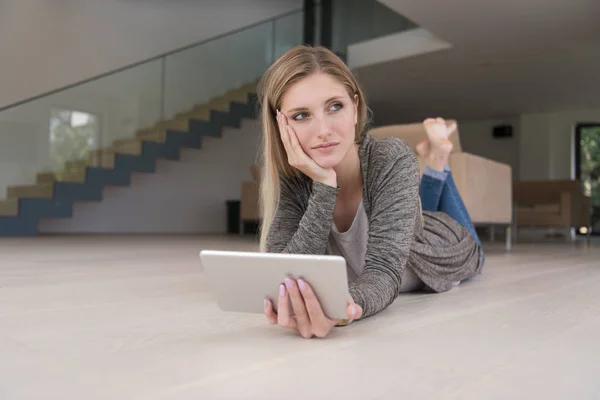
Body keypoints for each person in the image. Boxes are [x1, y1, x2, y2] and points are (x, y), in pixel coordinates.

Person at [256, 45, 485, 339]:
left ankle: (439, 159)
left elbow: (384, 272)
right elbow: (284, 273)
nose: (323, 130)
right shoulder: (296, 179)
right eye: (301, 115)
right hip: (406, 222)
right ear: (280, 125)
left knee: (473, 249)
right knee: (414, 214)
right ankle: (436, 162)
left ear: (355, 108)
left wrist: (345, 307)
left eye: (335, 106)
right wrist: (324, 186)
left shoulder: (389, 157)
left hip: (443, 247)